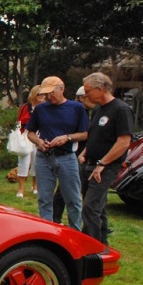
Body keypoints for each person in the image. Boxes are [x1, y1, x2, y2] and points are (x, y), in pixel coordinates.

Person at [26, 76, 89, 231]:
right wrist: (39, 142)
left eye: (51, 93)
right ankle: (47, 231)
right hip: (44, 157)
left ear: (61, 88)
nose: (48, 97)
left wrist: (67, 138)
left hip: (66, 157)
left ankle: (76, 232)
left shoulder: (76, 108)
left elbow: (84, 134)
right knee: (44, 198)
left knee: (73, 198)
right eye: (45, 94)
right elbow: (30, 132)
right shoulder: (41, 108)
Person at [78, 73, 134, 244]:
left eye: (88, 91)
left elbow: (123, 142)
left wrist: (103, 163)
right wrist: (84, 152)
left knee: (90, 207)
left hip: (106, 167)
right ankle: (102, 246)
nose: (85, 95)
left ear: (100, 89)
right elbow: (95, 136)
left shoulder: (121, 110)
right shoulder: (98, 110)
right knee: (98, 209)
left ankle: (91, 247)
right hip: (89, 164)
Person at [53, 86, 94, 222]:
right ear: (82, 97)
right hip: (73, 153)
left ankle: (97, 224)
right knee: (66, 190)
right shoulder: (73, 111)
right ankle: (56, 219)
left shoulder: (95, 112)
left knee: (88, 192)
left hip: (88, 155)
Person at [15, 85, 45, 198]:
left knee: (37, 162)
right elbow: (20, 120)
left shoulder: (45, 107)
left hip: (39, 136)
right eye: (40, 94)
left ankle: (35, 187)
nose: (42, 97)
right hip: (26, 135)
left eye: (43, 94)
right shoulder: (25, 107)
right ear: (34, 95)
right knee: (24, 162)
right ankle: (20, 189)